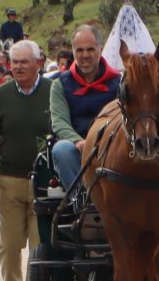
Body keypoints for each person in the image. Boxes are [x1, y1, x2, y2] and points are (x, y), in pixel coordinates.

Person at [0, 40, 56, 281]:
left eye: (24, 62)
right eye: (15, 62)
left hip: (45, 184)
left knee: (38, 247)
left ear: (38, 63)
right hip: (9, 181)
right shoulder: (1, 95)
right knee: (10, 244)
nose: (18, 67)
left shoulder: (53, 92)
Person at [41, 22, 122, 198]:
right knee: (61, 149)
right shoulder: (60, 84)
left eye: (90, 49)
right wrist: (79, 142)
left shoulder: (118, 82)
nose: (85, 55)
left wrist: (101, 143)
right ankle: (80, 200)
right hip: (76, 147)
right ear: (73, 51)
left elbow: (121, 118)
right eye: (79, 50)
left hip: (110, 146)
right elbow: (59, 121)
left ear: (100, 49)